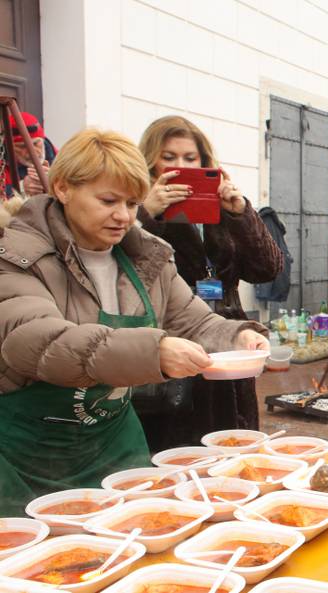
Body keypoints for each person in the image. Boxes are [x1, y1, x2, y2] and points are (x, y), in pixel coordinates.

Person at [0, 128, 269, 516]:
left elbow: (193, 322)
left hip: (113, 444)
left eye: (131, 202)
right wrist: (154, 350)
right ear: (62, 188)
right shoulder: (17, 257)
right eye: (108, 200)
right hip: (31, 454)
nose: (123, 216)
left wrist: (238, 335)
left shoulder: (145, 258)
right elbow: (41, 343)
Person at [136, 115, 282, 450]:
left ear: (204, 161)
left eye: (190, 158)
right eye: (169, 157)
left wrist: (240, 213)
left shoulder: (219, 207)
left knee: (234, 439)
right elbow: (130, 272)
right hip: (177, 341)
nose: (180, 166)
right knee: (183, 445)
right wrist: (147, 214)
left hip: (230, 339)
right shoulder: (135, 208)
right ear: (152, 162)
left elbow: (268, 269)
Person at [3, 112, 57, 198]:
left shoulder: (60, 157)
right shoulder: (2, 164)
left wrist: (54, 181)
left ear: (42, 140)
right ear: (9, 147)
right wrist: (21, 188)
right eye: (23, 146)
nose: (33, 152)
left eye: (35, 144)